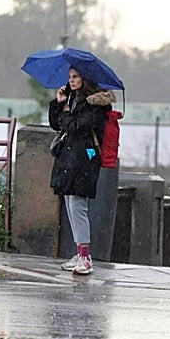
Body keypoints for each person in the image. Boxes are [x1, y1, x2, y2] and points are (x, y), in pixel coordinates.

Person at [49, 66, 111, 275]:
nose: (71, 80)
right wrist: (59, 103)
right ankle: (79, 252)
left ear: (85, 78)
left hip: (84, 160)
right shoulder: (72, 99)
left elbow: (76, 127)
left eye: (75, 77)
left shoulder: (96, 103)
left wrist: (66, 113)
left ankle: (85, 257)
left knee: (78, 207)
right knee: (70, 204)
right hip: (69, 159)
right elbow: (55, 124)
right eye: (69, 77)